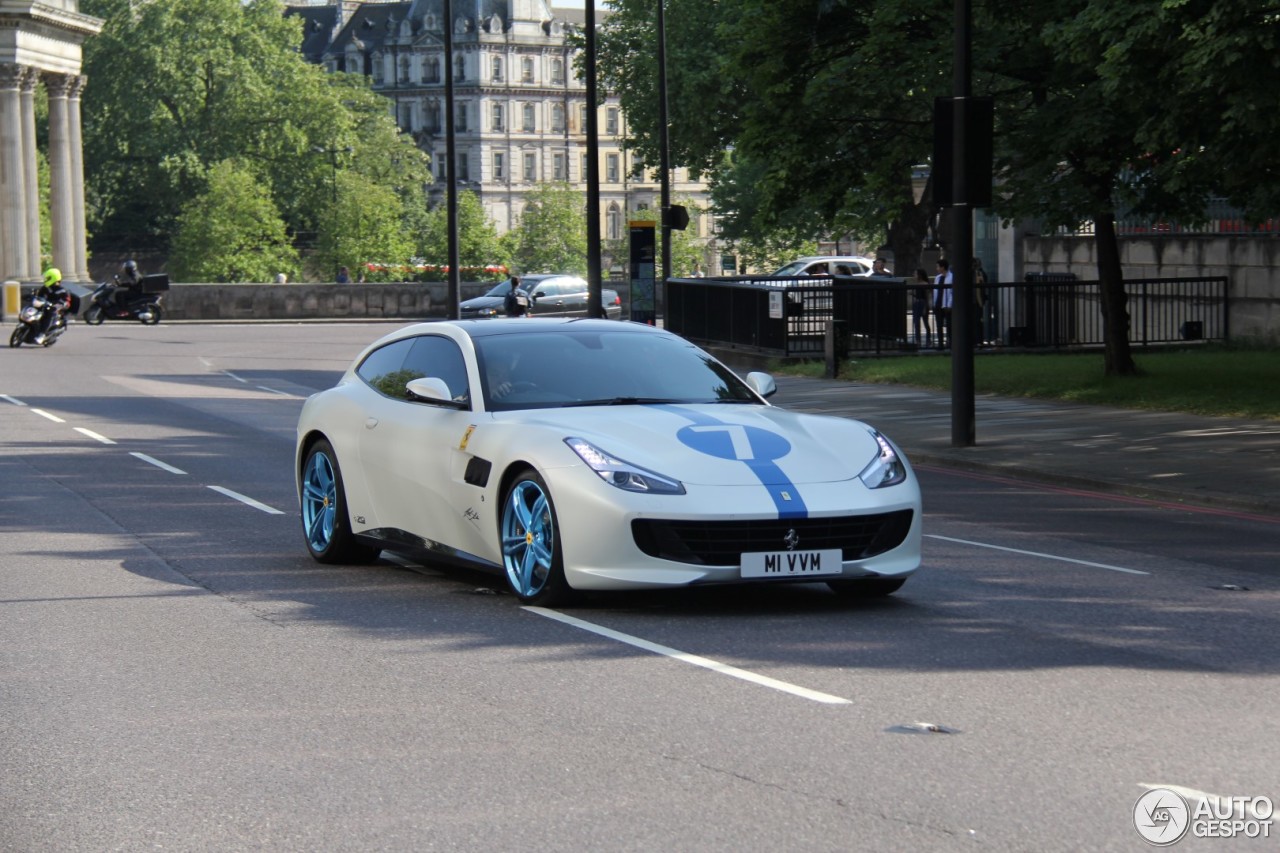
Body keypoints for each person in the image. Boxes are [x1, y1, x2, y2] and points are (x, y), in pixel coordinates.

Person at [34, 267, 72, 345]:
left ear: (53, 278)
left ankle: (42, 334)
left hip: (55, 310)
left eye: (48, 278)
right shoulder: (45, 288)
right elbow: (39, 296)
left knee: (50, 314)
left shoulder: (63, 290)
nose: (45, 279)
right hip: (43, 306)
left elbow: (67, 302)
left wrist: (60, 305)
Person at [933, 259, 953, 349]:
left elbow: (952, 292)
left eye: (938, 266)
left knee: (949, 325)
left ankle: (950, 343)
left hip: (946, 305)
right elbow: (935, 291)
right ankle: (941, 344)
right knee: (939, 325)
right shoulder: (938, 278)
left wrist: (949, 305)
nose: (937, 268)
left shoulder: (952, 277)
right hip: (938, 304)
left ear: (943, 267)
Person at [912, 268, 933, 348]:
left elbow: (927, 296)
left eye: (915, 274)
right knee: (916, 323)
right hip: (917, 303)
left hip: (922, 303)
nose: (914, 275)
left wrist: (926, 307)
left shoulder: (925, 284)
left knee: (925, 322)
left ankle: (928, 339)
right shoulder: (916, 284)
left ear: (920, 275)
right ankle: (918, 340)